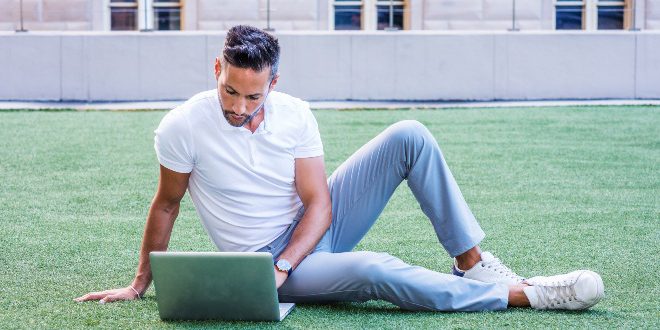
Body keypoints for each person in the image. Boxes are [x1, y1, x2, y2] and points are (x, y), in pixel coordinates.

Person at [75, 25, 604, 312]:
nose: (238, 106)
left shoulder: (295, 115)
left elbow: (320, 203)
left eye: (252, 95)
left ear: (273, 84)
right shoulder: (183, 126)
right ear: (217, 70)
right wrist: (140, 282)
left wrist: (291, 257)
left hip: (308, 237)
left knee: (409, 136)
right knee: (373, 269)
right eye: (229, 90)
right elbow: (166, 203)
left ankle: (471, 262)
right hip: (263, 265)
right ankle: (522, 294)